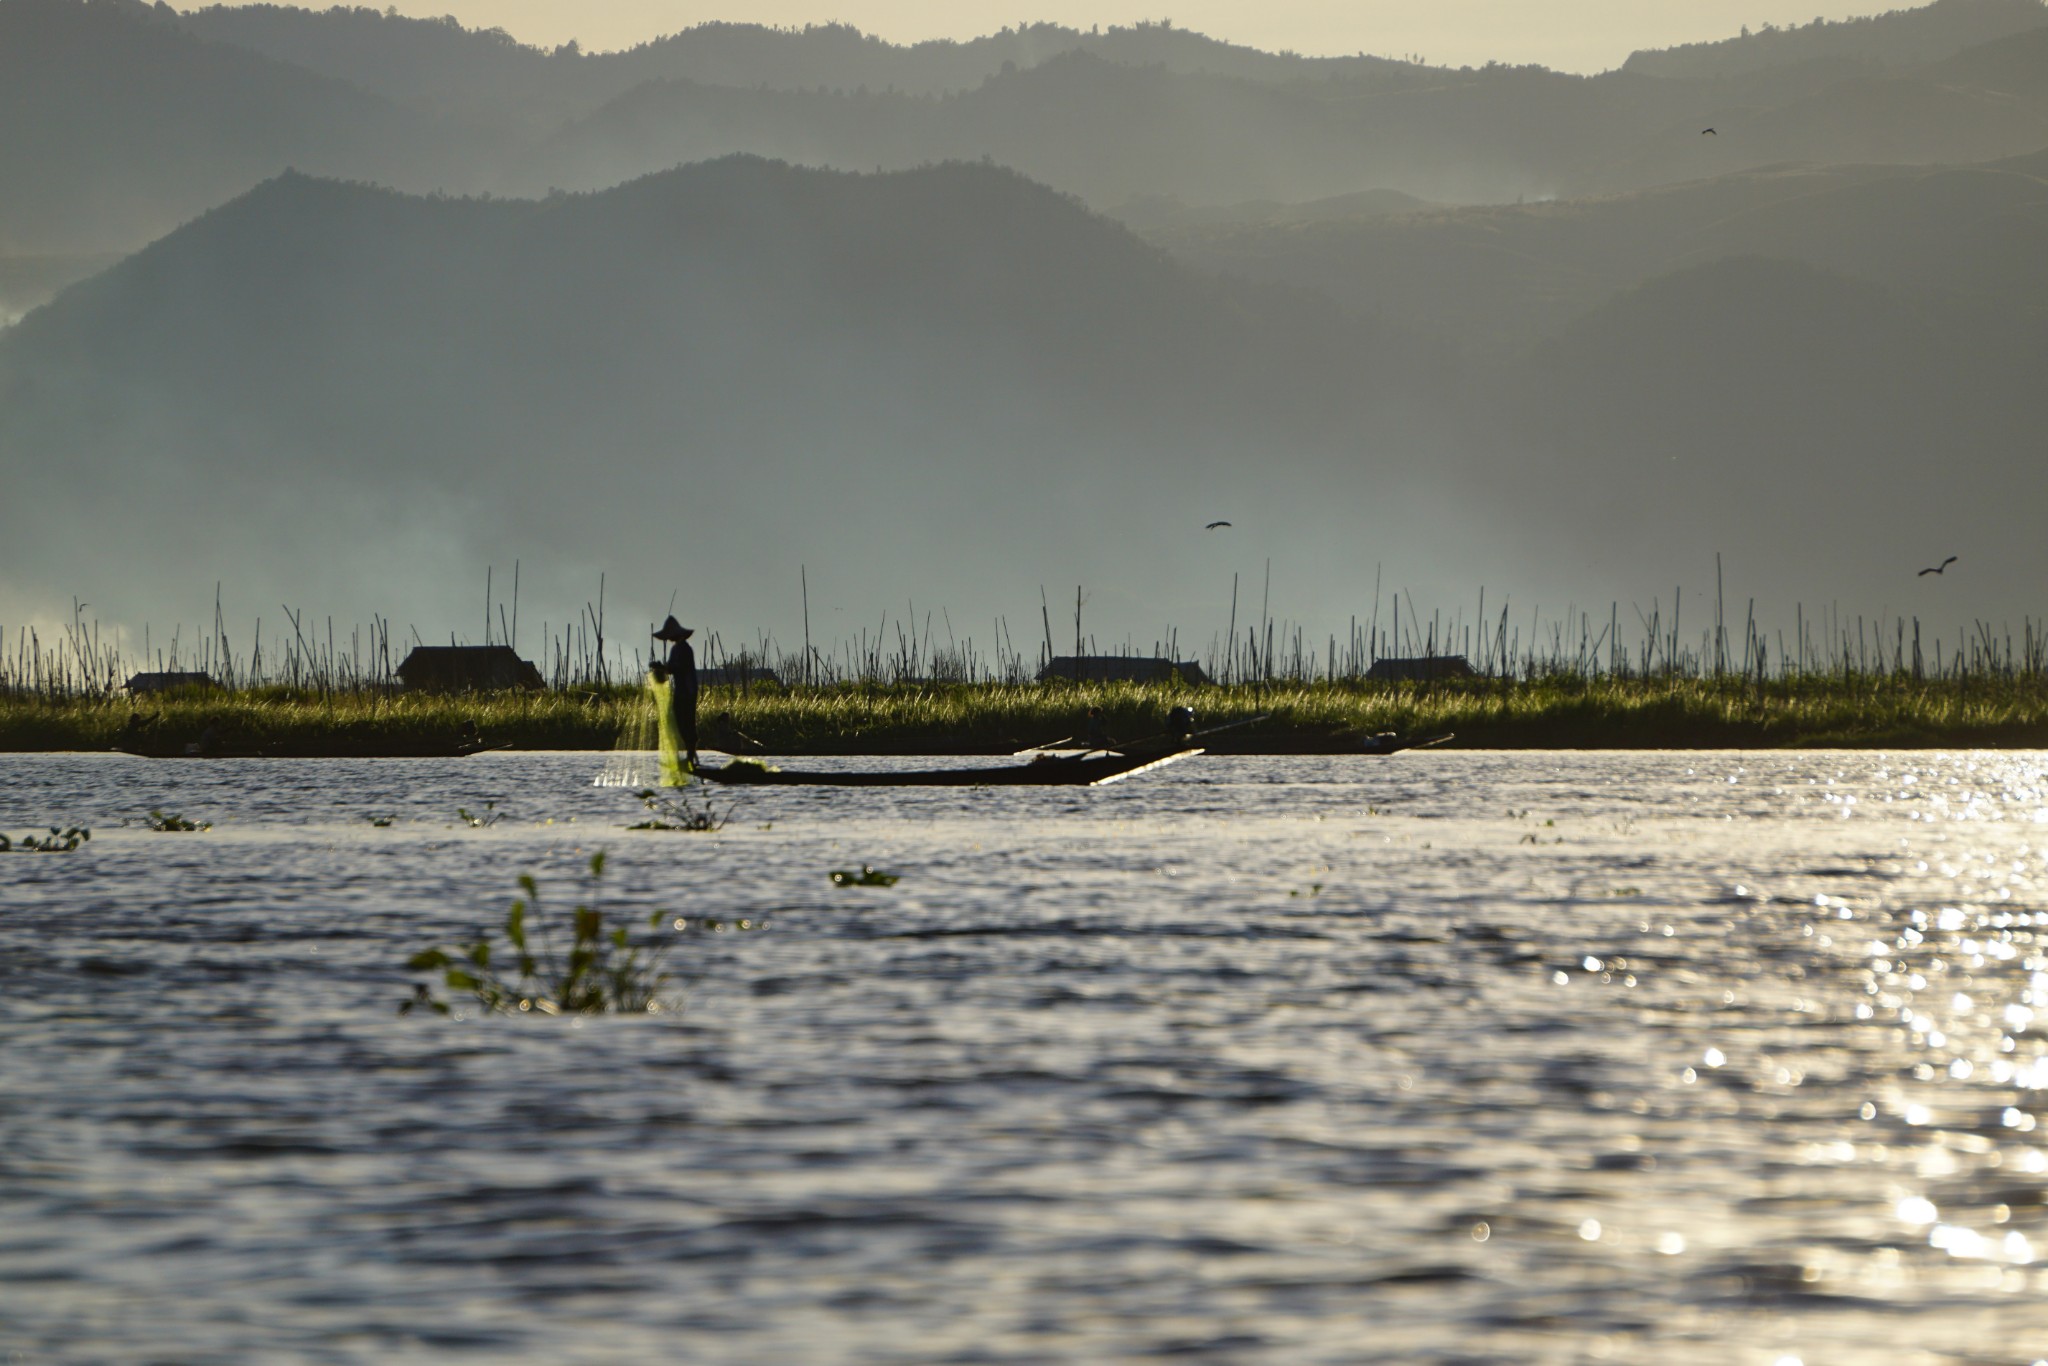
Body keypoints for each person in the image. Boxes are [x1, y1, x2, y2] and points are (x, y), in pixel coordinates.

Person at [651, 616, 699, 769]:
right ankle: (690, 757)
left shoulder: (684, 649)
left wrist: (663, 668)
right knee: (681, 723)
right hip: (682, 691)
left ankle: (690, 758)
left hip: (687, 691)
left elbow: (676, 668)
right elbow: (671, 668)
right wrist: (661, 667)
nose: (668, 639)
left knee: (686, 724)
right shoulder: (677, 648)